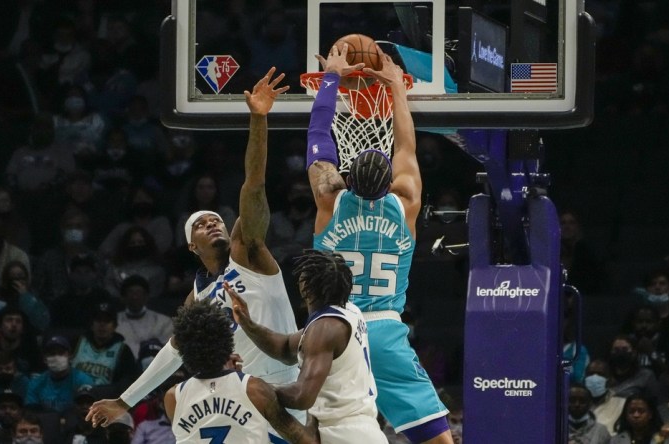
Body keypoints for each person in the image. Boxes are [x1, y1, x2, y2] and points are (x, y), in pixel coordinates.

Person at [85, 68, 305, 439]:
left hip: (285, 386)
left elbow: (254, 185)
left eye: (216, 220)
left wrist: (258, 119)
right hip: (242, 394)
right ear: (191, 246)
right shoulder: (197, 298)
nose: (213, 224)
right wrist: (124, 402)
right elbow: (173, 352)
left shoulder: (248, 254)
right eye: (202, 224)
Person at [305, 43, 451, 443]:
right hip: (385, 330)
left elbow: (319, 138)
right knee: (438, 438)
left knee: (315, 431)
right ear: (390, 181)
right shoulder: (406, 204)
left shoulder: (329, 198)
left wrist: (331, 78)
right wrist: (396, 90)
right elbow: (406, 147)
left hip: (333, 329)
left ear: (347, 177)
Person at [228, 249, 385, 442]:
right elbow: (285, 348)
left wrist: (254, 388)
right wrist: (247, 323)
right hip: (361, 430)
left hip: (343, 434)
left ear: (305, 287)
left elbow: (302, 396)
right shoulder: (348, 313)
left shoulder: (324, 328)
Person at [162, 300, 317, 444]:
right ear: (228, 340)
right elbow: (306, 441)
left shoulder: (173, 398)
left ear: (183, 350)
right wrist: (315, 400)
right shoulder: (254, 390)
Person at [70, 302, 137, 392]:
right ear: (92, 324)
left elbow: (127, 381)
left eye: (107, 321)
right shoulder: (77, 342)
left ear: (114, 326)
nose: (102, 325)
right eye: (98, 320)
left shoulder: (123, 350)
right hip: (73, 395)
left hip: (104, 399)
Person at [24, 336, 95, 413]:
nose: (56, 357)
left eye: (61, 353)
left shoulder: (83, 381)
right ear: (45, 359)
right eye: (52, 354)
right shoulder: (35, 383)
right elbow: (31, 414)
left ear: (70, 356)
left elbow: (88, 412)